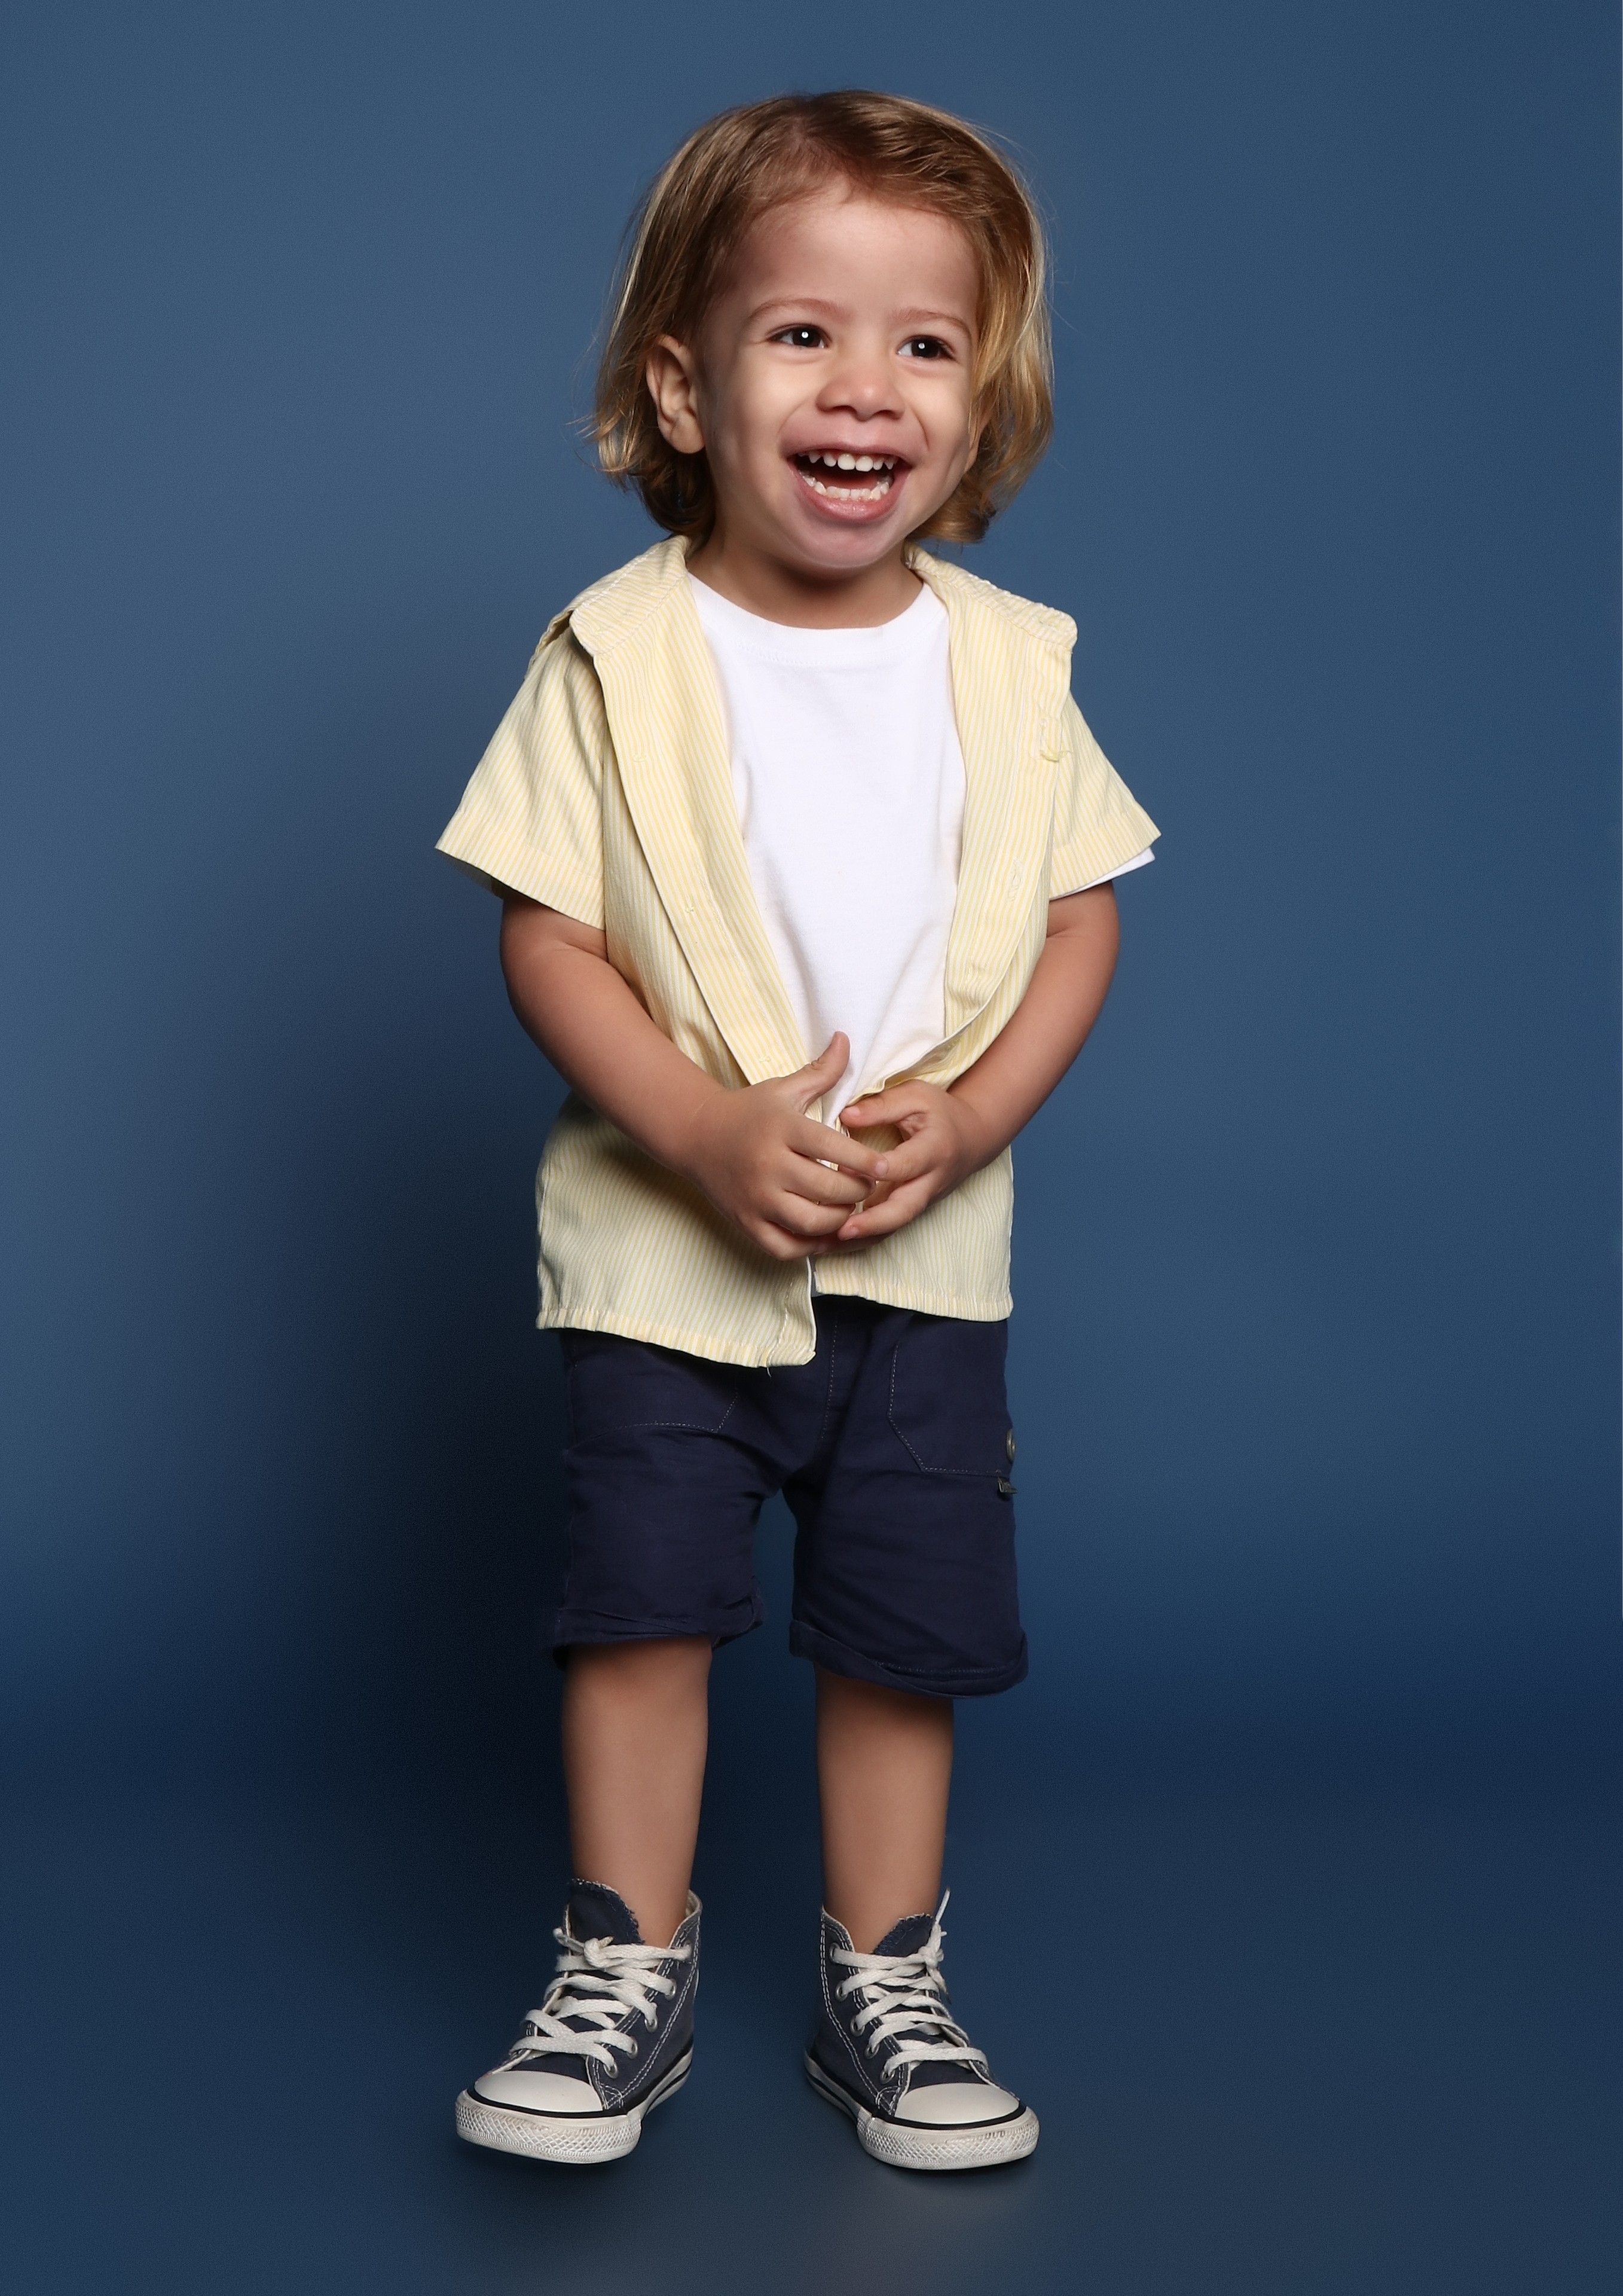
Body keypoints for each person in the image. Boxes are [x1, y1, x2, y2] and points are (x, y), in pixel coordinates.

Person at [437, 89, 1158, 2173]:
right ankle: (622, 1968)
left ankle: (885, 1982)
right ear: (685, 385)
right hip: (665, 1266)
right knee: (639, 1614)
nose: (864, 387)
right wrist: (691, 1127)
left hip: (923, 1269)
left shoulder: (1010, 667)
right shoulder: (613, 653)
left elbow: (1081, 917)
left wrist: (977, 1116)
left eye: (923, 344)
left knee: (898, 1638)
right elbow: (548, 930)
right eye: (801, 335)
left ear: (978, 398)